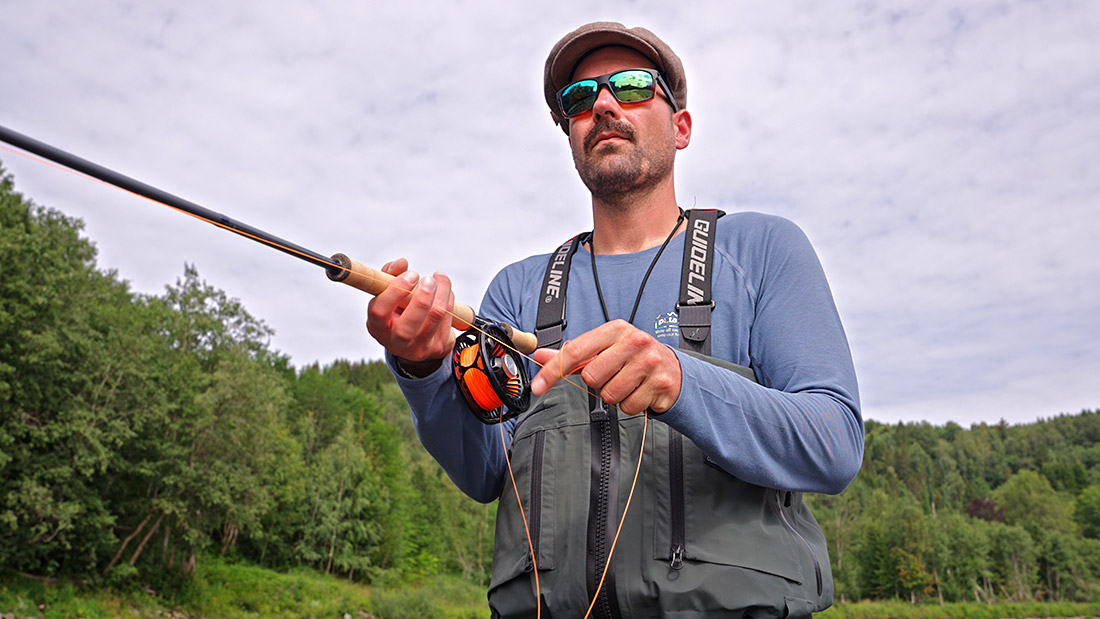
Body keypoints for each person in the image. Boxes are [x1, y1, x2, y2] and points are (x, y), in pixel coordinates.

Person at [366, 21, 863, 618]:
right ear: (571, 134)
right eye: (578, 99)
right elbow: (484, 470)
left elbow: (833, 445)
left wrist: (682, 382)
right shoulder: (518, 288)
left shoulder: (764, 249)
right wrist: (422, 369)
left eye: (630, 86)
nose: (601, 104)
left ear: (680, 127)